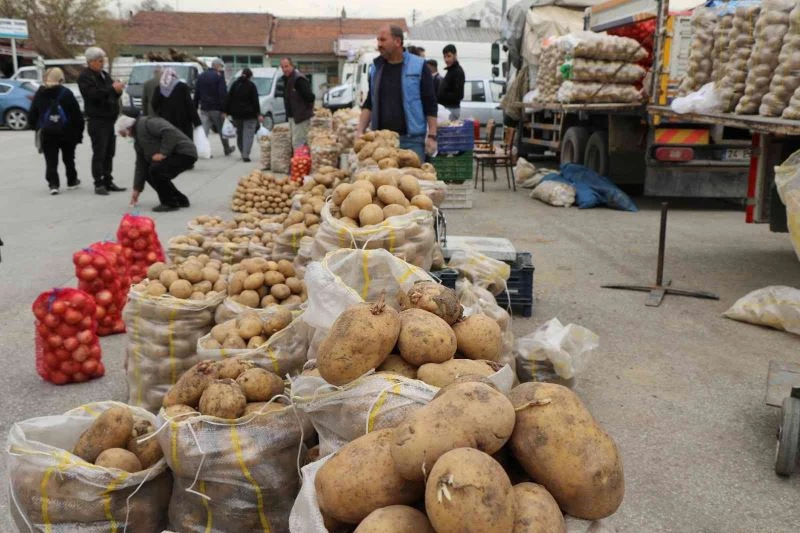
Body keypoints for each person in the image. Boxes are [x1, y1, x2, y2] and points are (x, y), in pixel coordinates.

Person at [357, 25, 438, 161]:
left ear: (397, 42)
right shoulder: (377, 68)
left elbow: (430, 102)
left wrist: (432, 135)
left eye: (383, 40)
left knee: (412, 181)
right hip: (382, 142)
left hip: (412, 141)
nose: (379, 45)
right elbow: (370, 102)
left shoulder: (418, 66)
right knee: (385, 182)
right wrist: (360, 130)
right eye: (378, 40)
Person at [115, 113, 197, 212]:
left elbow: (169, 132)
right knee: (149, 172)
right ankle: (179, 199)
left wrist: (163, 153)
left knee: (156, 170)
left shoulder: (148, 123)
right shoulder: (138, 141)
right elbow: (141, 165)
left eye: (125, 134)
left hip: (184, 152)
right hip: (175, 153)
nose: (127, 137)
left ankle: (169, 203)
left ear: (129, 128)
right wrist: (137, 189)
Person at [77, 46, 126, 195]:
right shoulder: (85, 77)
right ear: (90, 62)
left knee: (110, 152)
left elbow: (110, 94)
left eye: (103, 60)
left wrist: (117, 91)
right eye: (99, 61)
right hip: (97, 120)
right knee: (100, 152)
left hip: (110, 119)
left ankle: (108, 180)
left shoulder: (104, 74)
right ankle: (98, 183)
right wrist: (112, 89)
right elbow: (93, 95)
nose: (102, 63)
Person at [28, 67, 85, 195]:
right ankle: (71, 181)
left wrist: (36, 127)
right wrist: (79, 133)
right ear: (60, 79)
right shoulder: (66, 93)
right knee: (69, 158)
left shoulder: (40, 93)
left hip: (47, 132)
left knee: (51, 160)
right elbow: (77, 115)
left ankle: (53, 184)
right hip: (67, 132)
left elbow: (32, 114)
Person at [194, 58, 233, 155]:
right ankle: (226, 149)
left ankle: (203, 151)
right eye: (221, 66)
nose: (221, 68)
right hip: (216, 109)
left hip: (204, 108)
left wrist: (194, 106)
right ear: (217, 66)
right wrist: (225, 110)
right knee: (221, 130)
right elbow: (223, 94)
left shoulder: (201, 76)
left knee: (204, 132)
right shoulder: (219, 77)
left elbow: (197, 93)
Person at [152, 67, 201, 140]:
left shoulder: (159, 88)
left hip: (165, 121)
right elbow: (189, 105)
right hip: (183, 121)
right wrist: (196, 122)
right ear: (174, 75)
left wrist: (160, 113)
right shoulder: (182, 86)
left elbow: (154, 103)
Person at [224, 68, 261, 162]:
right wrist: (258, 114)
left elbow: (228, 98)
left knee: (240, 134)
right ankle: (245, 154)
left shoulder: (235, 85)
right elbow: (255, 101)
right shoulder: (251, 86)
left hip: (237, 115)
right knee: (248, 134)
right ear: (250, 76)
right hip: (250, 115)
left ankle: (242, 151)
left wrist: (226, 112)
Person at [279, 57, 316, 148]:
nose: (284, 69)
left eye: (286, 66)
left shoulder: (299, 79)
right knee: (296, 142)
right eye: (282, 67)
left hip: (301, 117)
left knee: (298, 143)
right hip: (293, 117)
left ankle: (300, 161)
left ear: (292, 66)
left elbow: (310, 97)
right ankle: (299, 161)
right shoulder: (286, 79)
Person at [438, 44, 465, 120]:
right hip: (447, 109)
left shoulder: (457, 72)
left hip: (451, 110)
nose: (446, 59)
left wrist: (441, 96)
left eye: (449, 56)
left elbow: (459, 95)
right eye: (444, 57)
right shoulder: (451, 71)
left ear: (455, 55)